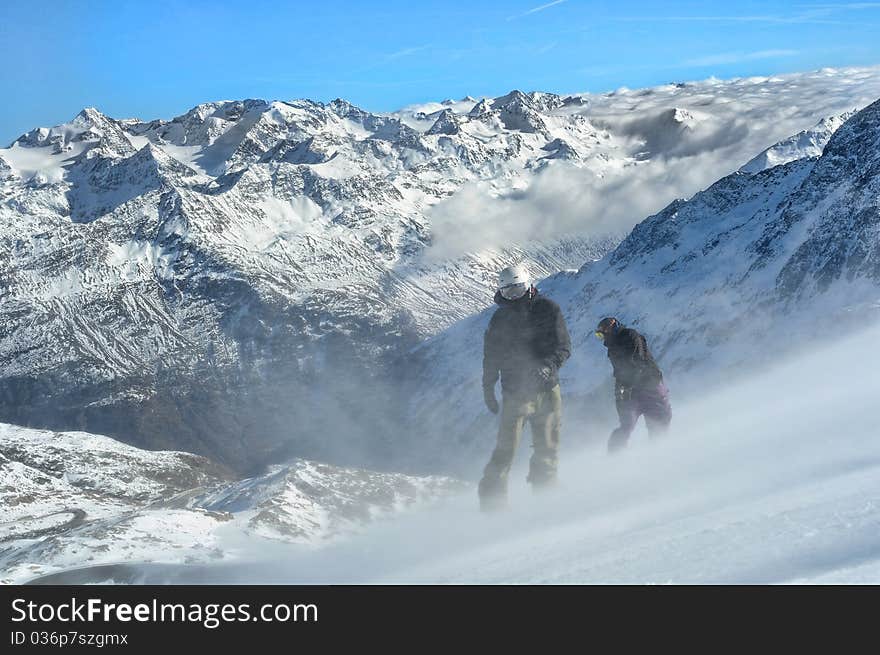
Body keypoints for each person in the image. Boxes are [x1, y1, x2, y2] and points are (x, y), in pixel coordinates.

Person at [479, 264, 571, 510]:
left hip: (547, 389)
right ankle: (492, 504)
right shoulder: (499, 319)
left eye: (518, 289)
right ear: (501, 292)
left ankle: (546, 496)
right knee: (506, 449)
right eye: (509, 292)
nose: (515, 296)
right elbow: (491, 357)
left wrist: (548, 367)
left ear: (528, 284)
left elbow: (563, 347)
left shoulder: (548, 309)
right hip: (515, 393)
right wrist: (488, 388)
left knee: (548, 445)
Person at [594, 317, 671, 453]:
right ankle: (615, 457)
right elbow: (619, 371)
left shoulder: (630, 335)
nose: (602, 338)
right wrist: (620, 394)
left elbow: (636, 360)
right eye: (599, 336)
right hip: (631, 390)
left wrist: (626, 385)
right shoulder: (612, 347)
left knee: (659, 422)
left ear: (611, 328)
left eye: (602, 334)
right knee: (626, 425)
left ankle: (660, 453)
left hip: (649, 385)